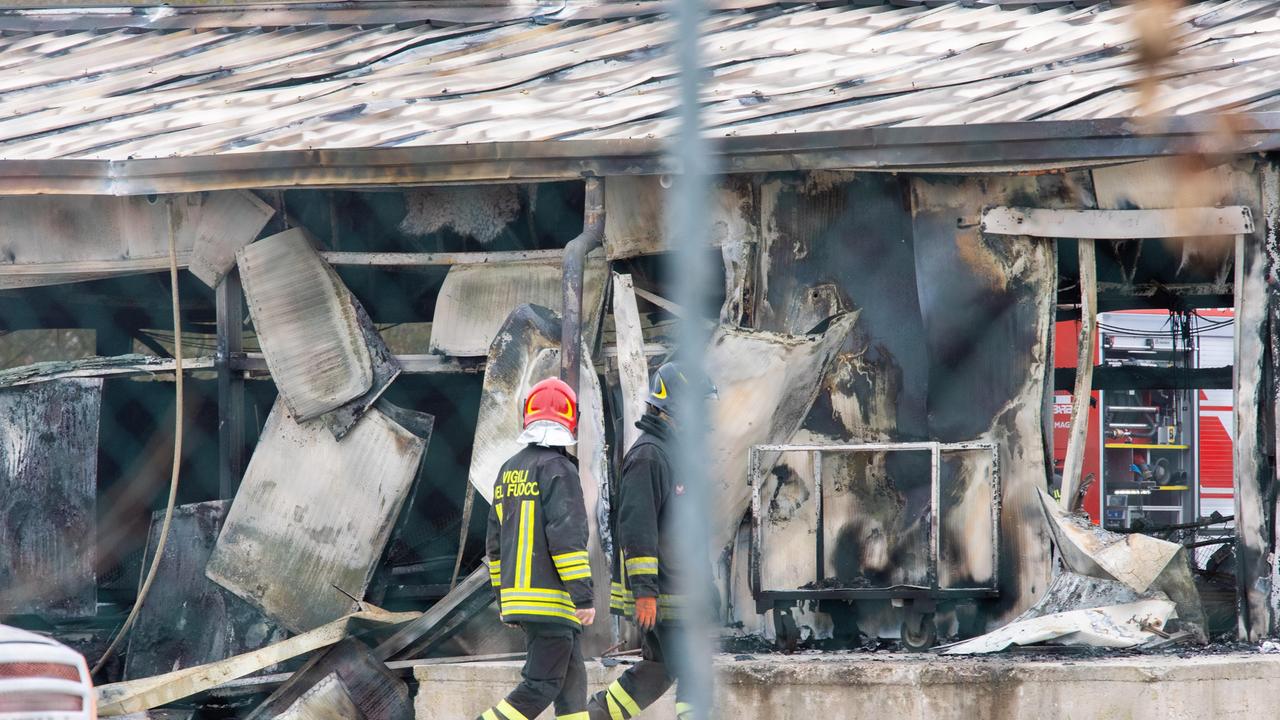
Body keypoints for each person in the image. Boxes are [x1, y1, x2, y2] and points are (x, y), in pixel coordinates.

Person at [587, 362, 715, 720]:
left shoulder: (673, 455)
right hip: (662, 593)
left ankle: (595, 716)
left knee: (658, 670)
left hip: (678, 589)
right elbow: (637, 528)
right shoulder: (649, 455)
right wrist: (645, 591)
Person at [476, 377, 596, 720]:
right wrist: (583, 597)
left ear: (526, 416)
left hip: (522, 600)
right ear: (571, 419)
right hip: (552, 601)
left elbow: (494, 546)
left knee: (572, 687)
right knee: (540, 685)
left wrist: (504, 600)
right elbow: (567, 538)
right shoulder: (560, 469)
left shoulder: (508, 470)